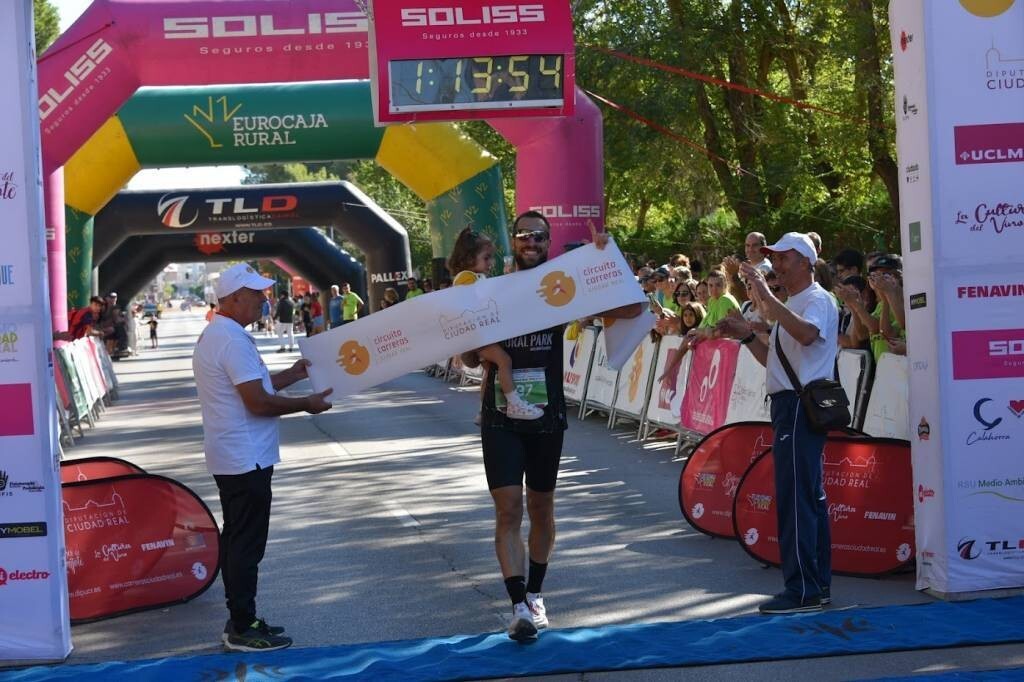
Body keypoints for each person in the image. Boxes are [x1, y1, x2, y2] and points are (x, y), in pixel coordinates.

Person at [461, 211, 642, 642]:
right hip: (501, 416)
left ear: (548, 243)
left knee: (541, 508)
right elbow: (467, 357)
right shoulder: (493, 292)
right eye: (524, 234)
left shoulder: (562, 292)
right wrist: (484, 350)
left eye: (539, 236)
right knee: (508, 509)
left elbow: (632, 307)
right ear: (514, 241)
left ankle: (536, 593)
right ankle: (518, 605)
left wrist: (607, 260)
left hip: (547, 416)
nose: (531, 242)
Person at [192, 264, 334, 652]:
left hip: (236, 454)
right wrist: (306, 404)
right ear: (234, 298)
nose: (264, 299)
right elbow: (257, 402)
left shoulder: (222, 333)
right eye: (256, 293)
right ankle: (243, 625)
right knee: (246, 544)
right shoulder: (231, 339)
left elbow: (257, 385)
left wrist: (293, 374)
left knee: (239, 538)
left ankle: (241, 618)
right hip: (244, 457)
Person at [715, 232, 837, 614]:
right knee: (807, 497)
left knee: (798, 498)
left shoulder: (817, 299)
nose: (776, 265)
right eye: (775, 258)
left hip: (800, 407)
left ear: (805, 261)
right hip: (790, 405)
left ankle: (803, 590)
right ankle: (815, 585)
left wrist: (766, 297)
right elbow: (776, 361)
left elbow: (808, 334)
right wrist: (747, 336)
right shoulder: (796, 301)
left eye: (783, 258)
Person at [449, 227, 544, 421]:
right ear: (469, 258)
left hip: (480, 335)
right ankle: (515, 403)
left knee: (490, 372)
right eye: (486, 258)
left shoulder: (474, 277)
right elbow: (470, 305)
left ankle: (484, 410)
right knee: (504, 361)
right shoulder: (466, 278)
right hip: (478, 337)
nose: (491, 262)